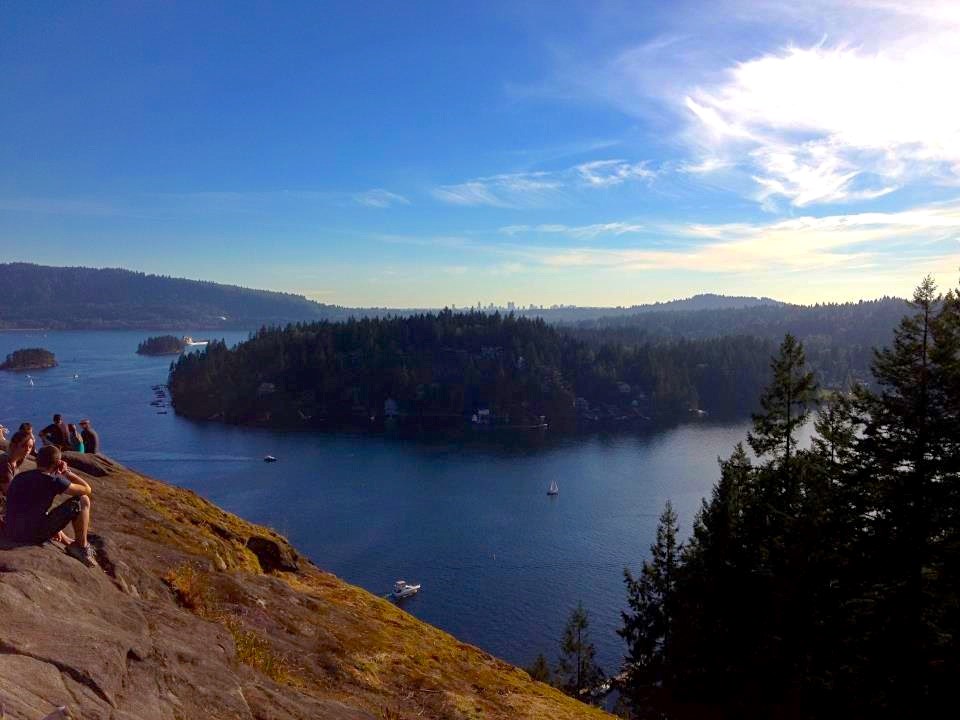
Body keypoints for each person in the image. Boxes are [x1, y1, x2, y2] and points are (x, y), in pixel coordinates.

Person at [3, 445, 97, 567]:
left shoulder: (20, 477)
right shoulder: (53, 480)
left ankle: (70, 541)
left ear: (37, 460)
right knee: (83, 500)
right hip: (32, 535)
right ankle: (81, 546)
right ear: (57, 463)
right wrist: (67, 473)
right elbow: (86, 490)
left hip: (11, 531)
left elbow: (26, 507)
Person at [1, 429, 34, 496]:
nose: (28, 450)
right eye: (24, 446)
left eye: (30, 447)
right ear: (14, 445)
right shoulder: (5, 464)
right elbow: (10, 493)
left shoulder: (16, 461)